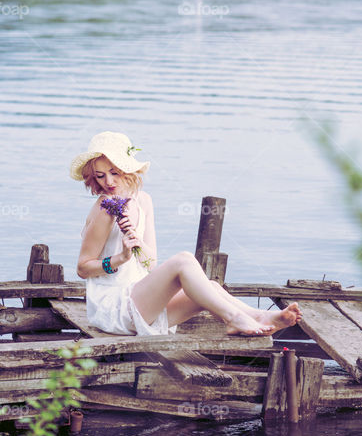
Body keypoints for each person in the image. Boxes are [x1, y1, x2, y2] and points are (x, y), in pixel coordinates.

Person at [70, 131, 302, 336]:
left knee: (209, 287)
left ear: (128, 169)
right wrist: (120, 258)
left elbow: (150, 265)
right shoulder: (105, 208)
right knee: (183, 261)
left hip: (142, 301)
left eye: (114, 172)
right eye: (100, 176)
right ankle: (232, 318)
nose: (108, 181)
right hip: (114, 308)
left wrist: (137, 243)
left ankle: (257, 315)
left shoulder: (143, 201)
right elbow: (83, 267)